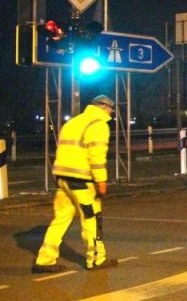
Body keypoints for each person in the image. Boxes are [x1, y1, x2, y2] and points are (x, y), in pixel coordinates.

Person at [32, 95, 118, 273]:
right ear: (104, 107)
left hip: (63, 179)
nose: (111, 112)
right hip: (82, 182)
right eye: (111, 109)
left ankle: (44, 260)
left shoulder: (73, 122)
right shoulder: (98, 125)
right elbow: (97, 155)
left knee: (60, 220)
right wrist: (101, 180)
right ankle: (95, 259)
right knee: (91, 221)